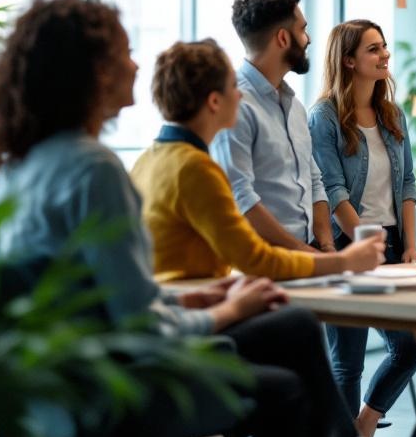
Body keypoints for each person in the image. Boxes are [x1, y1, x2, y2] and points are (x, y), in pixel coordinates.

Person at [0, 0, 368, 437]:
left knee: (292, 327)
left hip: (66, 376)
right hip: (116, 379)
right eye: (125, 53)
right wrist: (230, 309)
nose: (137, 67)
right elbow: (142, 327)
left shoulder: (20, 169)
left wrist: (189, 301)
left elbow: (99, 297)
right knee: (286, 377)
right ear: (93, 73)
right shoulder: (95, 169)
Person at [130, 39, 383, 282]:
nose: (239, 96)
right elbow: (255, 259)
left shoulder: (147, 161)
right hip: (190, 311)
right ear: (214, 101)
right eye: (233, 87)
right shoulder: (195, 168)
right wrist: (344, 262)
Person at [308, 19, 416, 437]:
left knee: (413, 344)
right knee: (348, 363)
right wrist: (363, 245)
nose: (385, 55)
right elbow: (333, 190)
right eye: (374, 49)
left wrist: (409, 244)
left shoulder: (392, 114)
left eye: (384, 46)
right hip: (347, 245)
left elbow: (408, 183)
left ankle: (365, 423)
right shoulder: (323, 117)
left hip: (391, 246)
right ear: (349, 60)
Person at [211, 0, 337, 255]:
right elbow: (239, 198)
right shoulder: (234, 105)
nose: (309, 38)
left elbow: (314, 181)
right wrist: (304, 254)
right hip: (261, 267)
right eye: (302, 29)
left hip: (305, 258)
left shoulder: (295, 107)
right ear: (282, 39)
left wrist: (325, 246)